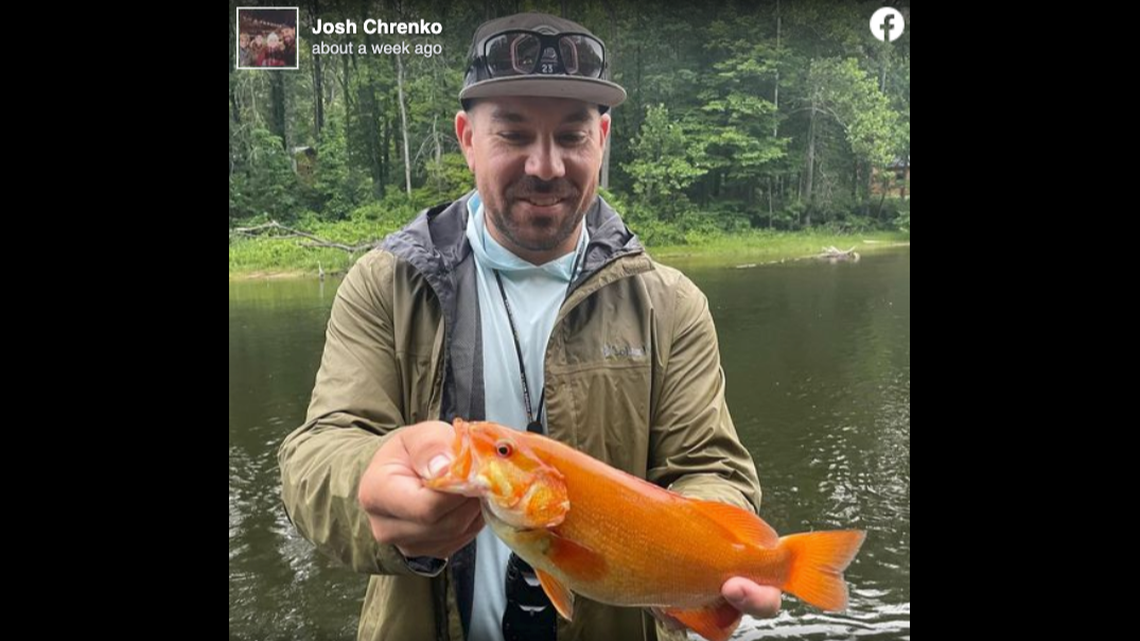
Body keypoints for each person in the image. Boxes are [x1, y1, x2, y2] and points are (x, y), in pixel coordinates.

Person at [279, 11, 781, 641]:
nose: (546, 166)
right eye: (513, 135)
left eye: (572, 136)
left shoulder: (669, 304)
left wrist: (686, 563)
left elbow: (712, 468)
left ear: (603, 138)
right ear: (466, 138)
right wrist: (370, 480)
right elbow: (314, 457)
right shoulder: (387, 285)